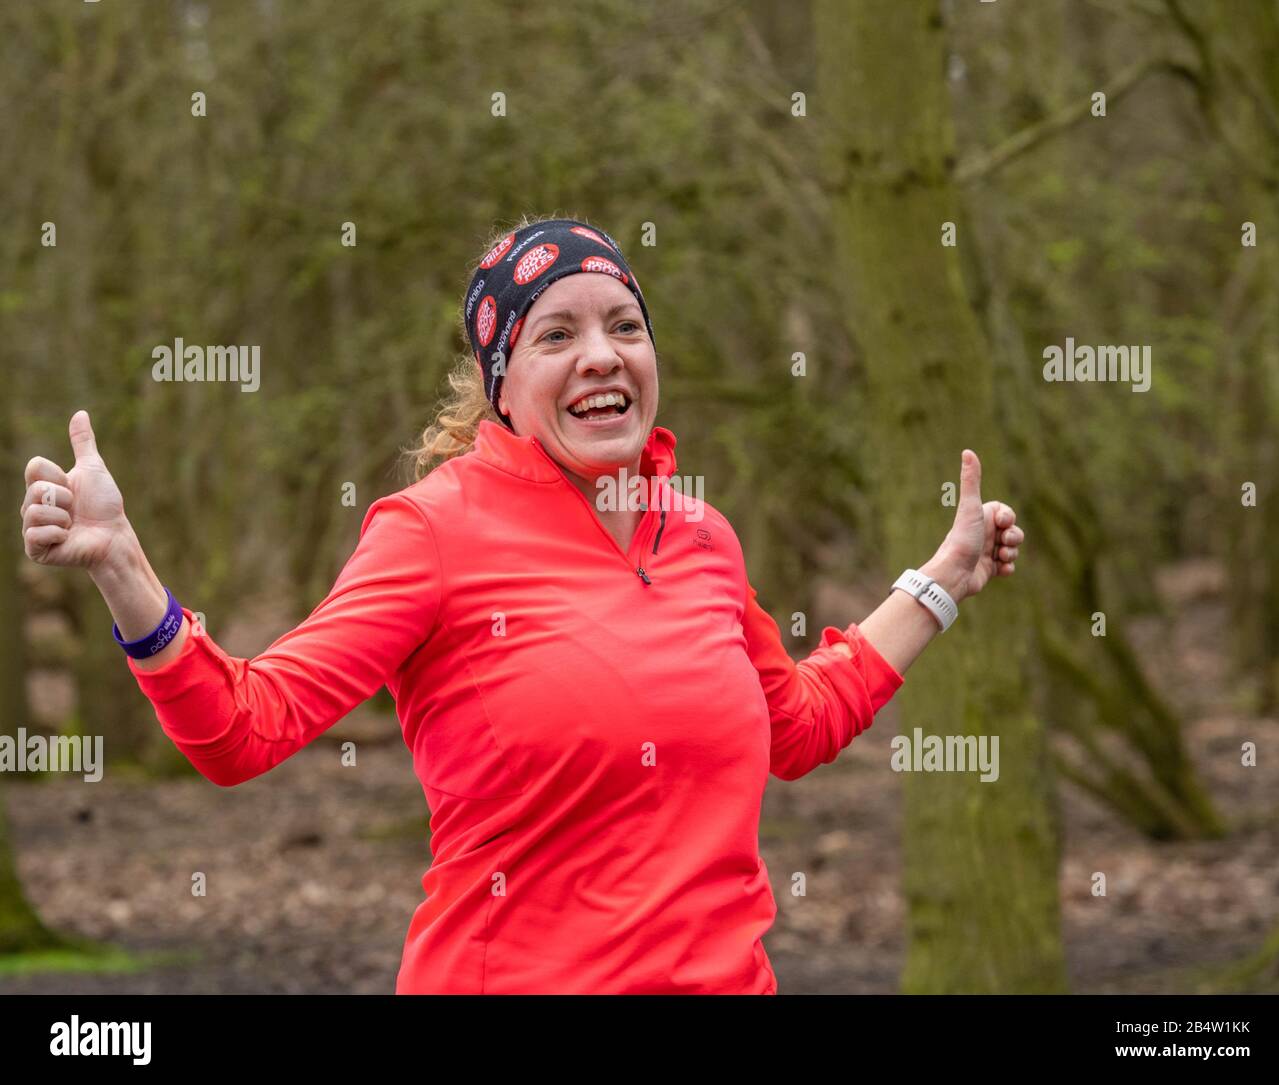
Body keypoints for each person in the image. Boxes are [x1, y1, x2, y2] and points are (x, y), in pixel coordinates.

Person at [18, 215, 1023, 994]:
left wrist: (940, 578)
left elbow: (795, 725)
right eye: (558, 333)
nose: (601, 354)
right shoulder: (432, 531)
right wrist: (123, 569)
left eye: (624, 325)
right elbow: (242, 728)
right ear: (503, 383)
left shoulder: (702, 536)